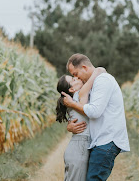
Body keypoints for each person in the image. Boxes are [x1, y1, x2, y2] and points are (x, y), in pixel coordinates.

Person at [62, 53, 130, 181]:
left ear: (85, 68)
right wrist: (70, 125)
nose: (76, 78)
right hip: (98, 141)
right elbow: (84, 113)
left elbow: (94, 112)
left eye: (76, 74)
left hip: (106, 140)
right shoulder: (93, 83)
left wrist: (72, 104)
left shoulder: (103, 80)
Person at [56, 68, 106, 181]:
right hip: (79, 147)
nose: (77, 77)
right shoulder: (79, 95)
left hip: (77, 146)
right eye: (74, 79)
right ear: (72, 88)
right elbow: (90, 81)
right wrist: (97, 71)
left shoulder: (74, 100)